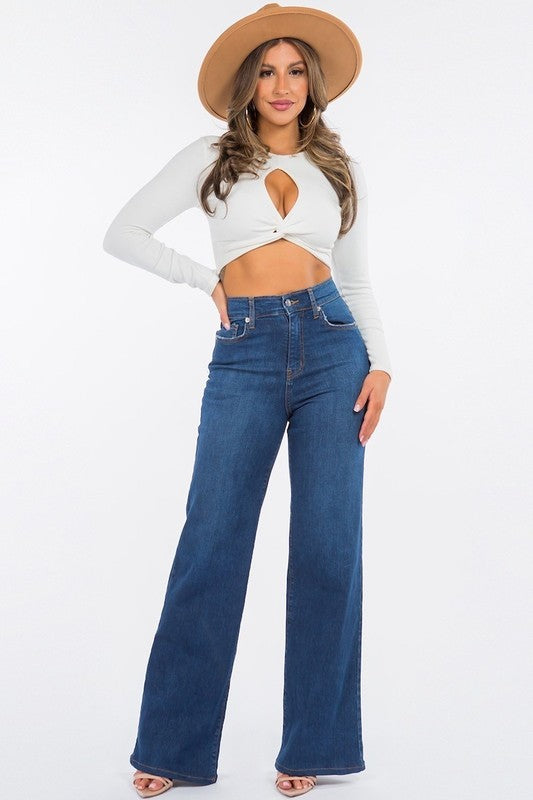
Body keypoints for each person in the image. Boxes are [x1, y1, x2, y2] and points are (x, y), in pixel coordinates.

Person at [102, 4, 393, 797]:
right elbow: (123, 232)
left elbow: (356, 277)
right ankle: (172, 747)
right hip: (246, 351)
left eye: (295, 70)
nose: (281, 84)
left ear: (313, 82)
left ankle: (315, 746)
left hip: (335, 347)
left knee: (330, 547)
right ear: (246, 84)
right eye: (266, 70)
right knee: (212, 542)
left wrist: (381, 364)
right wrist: (208, 282)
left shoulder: (340, 169)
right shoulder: (210, 158)